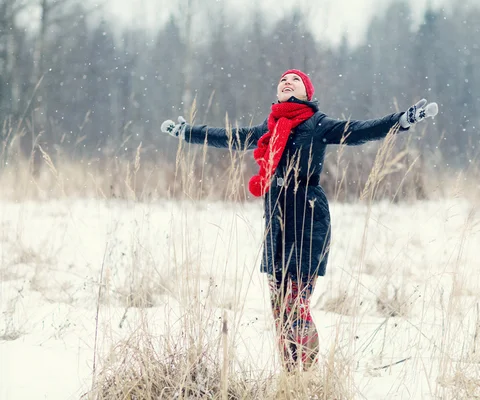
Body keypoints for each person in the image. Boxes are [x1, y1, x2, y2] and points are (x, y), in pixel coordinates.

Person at [161, 69, 438, 372]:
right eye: (282, 79)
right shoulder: (269, 128)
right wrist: (186, 133)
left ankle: (306, 375)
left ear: (307, 93)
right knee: (279, 308)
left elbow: (358, 130)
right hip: (276, 217)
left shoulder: (317, 124)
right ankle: (290, 376)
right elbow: (228, 137)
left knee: (296, 304)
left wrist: (402, 120)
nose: (286, 82)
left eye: (295, 80)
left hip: (307, 214)